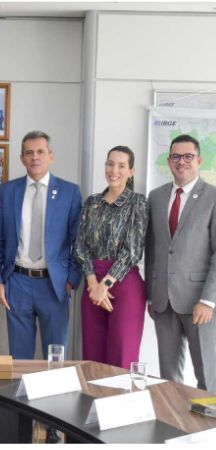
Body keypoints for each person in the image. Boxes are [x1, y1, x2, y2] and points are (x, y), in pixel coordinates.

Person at [0, 131, 82, 359]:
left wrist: (71, 280)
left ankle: (54, 396)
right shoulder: (8, 191)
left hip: (54, 284)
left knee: (55, 356)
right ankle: (19, 396)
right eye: (29, 153)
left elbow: (79, 241)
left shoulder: (69, 192)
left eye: (40, 152)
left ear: (51, 156)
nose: (35, 157)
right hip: (17, 282)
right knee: (20, 357)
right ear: (22, 158)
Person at [146, 134, 216, 392]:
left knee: (207, 375)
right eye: (176, 156)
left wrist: (209, 300)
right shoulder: (156, 197)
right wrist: (151, 297)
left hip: (200, 303)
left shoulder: (212, 196)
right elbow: (151, 248)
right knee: (168, 378)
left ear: (199, 160)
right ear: (169, 161)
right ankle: (172, 428)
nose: (181, 162)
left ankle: (209, 431)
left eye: (188, 156)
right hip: (163, 302)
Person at [75, 146, 147, 369]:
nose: (114, 170)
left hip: (124, 284)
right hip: (91, 284)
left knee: (122, 354)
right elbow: (80, 246)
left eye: (121, 165)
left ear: (131, 171)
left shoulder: (138, 203)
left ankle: (120, 403)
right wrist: (92, 283)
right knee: (93, 354)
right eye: (110, 163)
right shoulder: (92, 202)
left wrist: (104, 285)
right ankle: (94, 401)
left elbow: (132, 251)